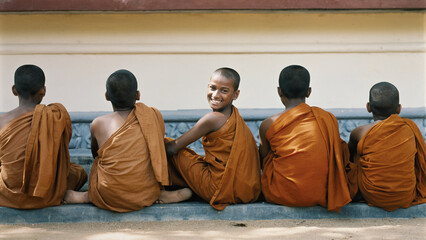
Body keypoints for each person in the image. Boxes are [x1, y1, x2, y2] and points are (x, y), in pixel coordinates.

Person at [64, 69, 192, 212]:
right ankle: (158, 194)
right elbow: (156, 150)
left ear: (107, 96)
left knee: (99, 163)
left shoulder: (98, 123)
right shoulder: (152, 117)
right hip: (145, 190)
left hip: (109, 193)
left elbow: (95, 154)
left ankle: (87, 197)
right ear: (138, 95)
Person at [165, 67, 261, 210]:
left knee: (167, 145)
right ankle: (187, 192)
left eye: (224, 90)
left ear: (236, 94)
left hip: (217, 190)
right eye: (212, 88)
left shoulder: (213, 119)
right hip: (245, 192)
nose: (215, 95)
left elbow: (173, 148)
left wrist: (152, 143)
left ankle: (160, 192)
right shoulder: (234, 117)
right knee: (196, 160)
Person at [259, 65, 351, 212]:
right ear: (309, 92)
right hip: (322, 193)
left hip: (280, 194)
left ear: (279, 91)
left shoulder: (268, 124)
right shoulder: (327, 118)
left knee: (270, 154)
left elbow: (264, 160)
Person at [0, 64, 87, 209]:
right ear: (43, 90)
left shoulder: (2, 121)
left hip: (9, 195)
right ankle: (61, 192)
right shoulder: (55, 116)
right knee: (78, 173)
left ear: (14, 90)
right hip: (47, 194)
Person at [346, 82, 426, 211]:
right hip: (405, 195)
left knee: (355, 155)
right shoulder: (409, 130)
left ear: (368, 107)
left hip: (371, 195)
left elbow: (347, 158)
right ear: (399, 108)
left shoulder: (359, 132)